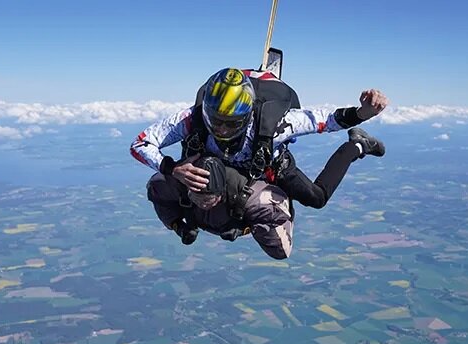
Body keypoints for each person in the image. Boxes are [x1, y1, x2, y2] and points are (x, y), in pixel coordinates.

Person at [130, 68, 388, 211]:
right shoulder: (191, 118)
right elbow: (140, 144)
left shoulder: (276, 124)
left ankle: (357, 145)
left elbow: (327, 120)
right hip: (225, 168)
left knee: (317, 198)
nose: (220, 129)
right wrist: (172, 168)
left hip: (268, 164)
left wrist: (364, 112)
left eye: (230, 122)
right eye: (216, 119)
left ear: (247, 115)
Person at [147, 156, 294, 259]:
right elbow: (160, 198)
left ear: (221, 192)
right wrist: (177, 225)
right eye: (199, 197)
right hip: (212, 212)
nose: (205, 204)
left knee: (278, 251)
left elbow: (282, 245)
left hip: (253, 205)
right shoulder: (165, 185)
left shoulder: (259, 200)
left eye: (210, 198)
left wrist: (246, 228)